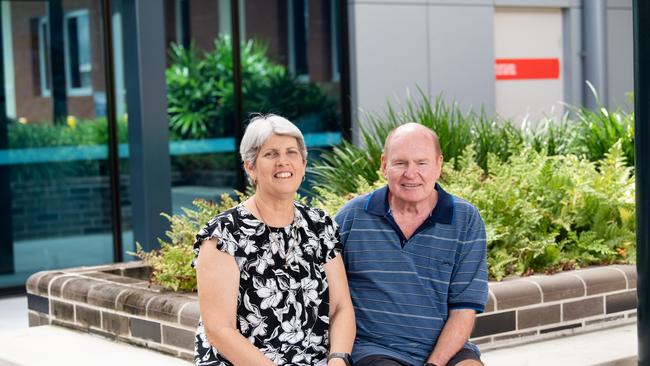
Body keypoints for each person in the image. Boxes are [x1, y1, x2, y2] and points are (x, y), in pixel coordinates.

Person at [192, 114, 355, 366]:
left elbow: (341, 307)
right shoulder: (223, 235)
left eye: (291, 152)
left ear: (303, 163)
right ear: (250, 167)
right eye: (270, 154)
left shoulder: (320, 225)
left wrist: (338, 359)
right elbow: (219, 331)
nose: (283, 162)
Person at [335, 123, 488, 366]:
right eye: (400, 163)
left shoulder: (465, 219)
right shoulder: (353, 217)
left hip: (445, 349)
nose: (411, 173)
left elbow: (463, 310)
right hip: (375, 350)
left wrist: (433, 364)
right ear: (384, 165)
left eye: (421, 163)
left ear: (438, 165)